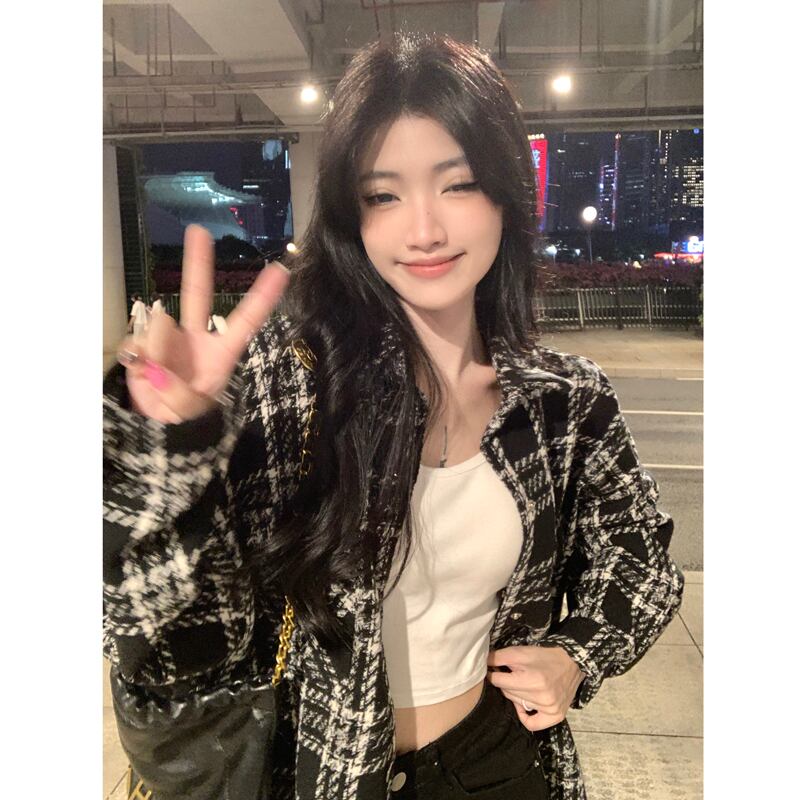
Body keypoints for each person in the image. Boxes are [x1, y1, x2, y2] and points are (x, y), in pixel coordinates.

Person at [104, 33, 683, 800]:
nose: (424, 230)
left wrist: (578, 654)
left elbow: (641, 564)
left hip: (497, 766)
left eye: (458, 184)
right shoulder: (288, 386)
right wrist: (167, 449)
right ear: (353, 217)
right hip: (323, 776)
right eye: (384, 195)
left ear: (506, 195)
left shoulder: (563, 402)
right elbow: (157, 640)